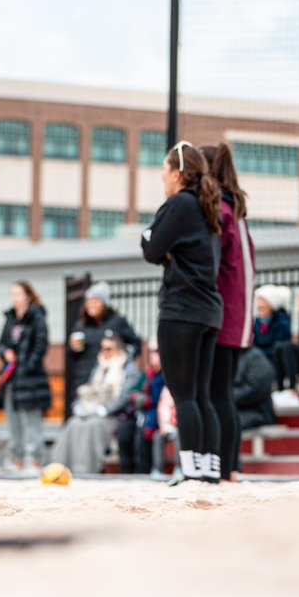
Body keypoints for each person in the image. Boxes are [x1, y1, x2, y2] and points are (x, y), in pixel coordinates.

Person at [141, 140, 223, 484]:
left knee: (183, 394)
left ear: (177, 174)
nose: (161, 177)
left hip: (182, 310)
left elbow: (150, 247)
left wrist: (156, 242)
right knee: (202, 394)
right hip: (208, 311)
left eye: (163, 171)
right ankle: (208, 469)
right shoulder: (207, 207)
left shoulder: (178, 205)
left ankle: (189, 469)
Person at [201, 142, 257, 482]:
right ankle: (232, 467)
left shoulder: (220, 210)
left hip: (224, 314)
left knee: (216, 394)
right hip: (238, 316)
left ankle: (225, 469)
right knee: (223, 395)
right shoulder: (237, 210)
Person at [50, 333, 141, 475]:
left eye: (108, 349)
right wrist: (79, 406)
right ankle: (60, 468)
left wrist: (104, 409)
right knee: (74, 423)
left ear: (119, 350)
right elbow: (89, 387)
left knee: (92, 426)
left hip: (114, 415)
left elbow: (126, 397)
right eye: (102, 348)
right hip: (90, 410)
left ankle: (85, 470)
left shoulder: (129, 369)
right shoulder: (99, 367)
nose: (104, 352)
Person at [0, 280, 53, 473]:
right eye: (12, 294)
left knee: (32, 421)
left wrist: (26, 365)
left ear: (27, 296)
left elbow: (41, 346)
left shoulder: (37, 317)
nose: (14, 298)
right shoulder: (10, 318)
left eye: (18, 294)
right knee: (13, 420)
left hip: (31, 378)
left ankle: (37, 459)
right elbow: (1, 344)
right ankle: (17, 458)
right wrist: (6, 353)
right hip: (12, 379)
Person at [67, 281, 142, 390]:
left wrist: (122, 356)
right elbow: (71, 354)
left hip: (109, 380)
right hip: (84, 379)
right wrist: (72, 347)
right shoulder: (81, 325)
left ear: (104, 303)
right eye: (89, 301)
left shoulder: (117, 322)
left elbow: (135, 344)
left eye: (96, 300)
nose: (92, 304)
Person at [118, 340, 164, 475]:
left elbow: (158, 400)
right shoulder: (147, 373)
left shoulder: (165, 374)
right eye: (151, 351)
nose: (153, 355)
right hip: (140, 413)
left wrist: (145, 400)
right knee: (124, 433)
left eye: (156, 351)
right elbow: (134, 391)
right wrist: (136, 397)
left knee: (143, 435)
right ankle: (126, 473)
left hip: (156, 416)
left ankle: (142, 472)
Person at [233, 346, 277, 432]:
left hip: (258, 413)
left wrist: (225, 396)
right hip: (236, 410)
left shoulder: (256, 359)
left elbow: (254, 390)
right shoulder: (230, 357)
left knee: (227, 422)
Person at [252, 285, 292, 360]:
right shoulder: (257, 323)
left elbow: (278, 350)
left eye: (263, 302)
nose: (259, 304)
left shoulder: (282, 323)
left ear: (271, 305)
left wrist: (258, 355)